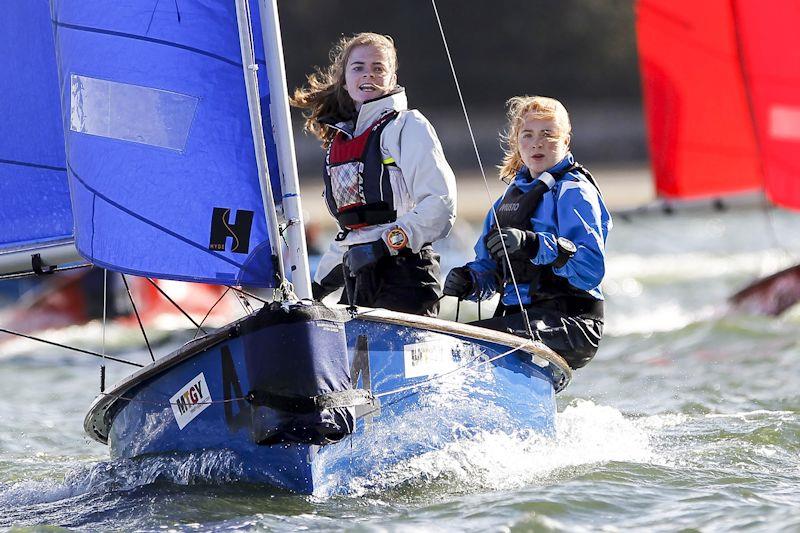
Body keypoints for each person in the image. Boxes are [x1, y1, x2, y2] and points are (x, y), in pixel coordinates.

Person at [291, 33, 456, 316]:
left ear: (392, 78)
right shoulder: (339, 140)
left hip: (407, 274)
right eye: (358, 67)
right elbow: (355, 233)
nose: (369, 74)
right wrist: (316, 286)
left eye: (378, 68)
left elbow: (441, 205)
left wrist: (383, 247)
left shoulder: (408, 126)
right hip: (360, 277)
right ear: (344, 79)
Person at [443, 96, 612, 369]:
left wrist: (533, 245)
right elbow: (490, 270)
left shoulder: (575, 191)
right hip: (522, 319)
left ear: (566, 141)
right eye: (528, 135)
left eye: (548, 134)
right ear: (517, 143)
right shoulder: (506, 203)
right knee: (447, 342)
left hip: (573, 322)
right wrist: (470, 280)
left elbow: (591, 269)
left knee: (468, 346)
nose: (537, 142)